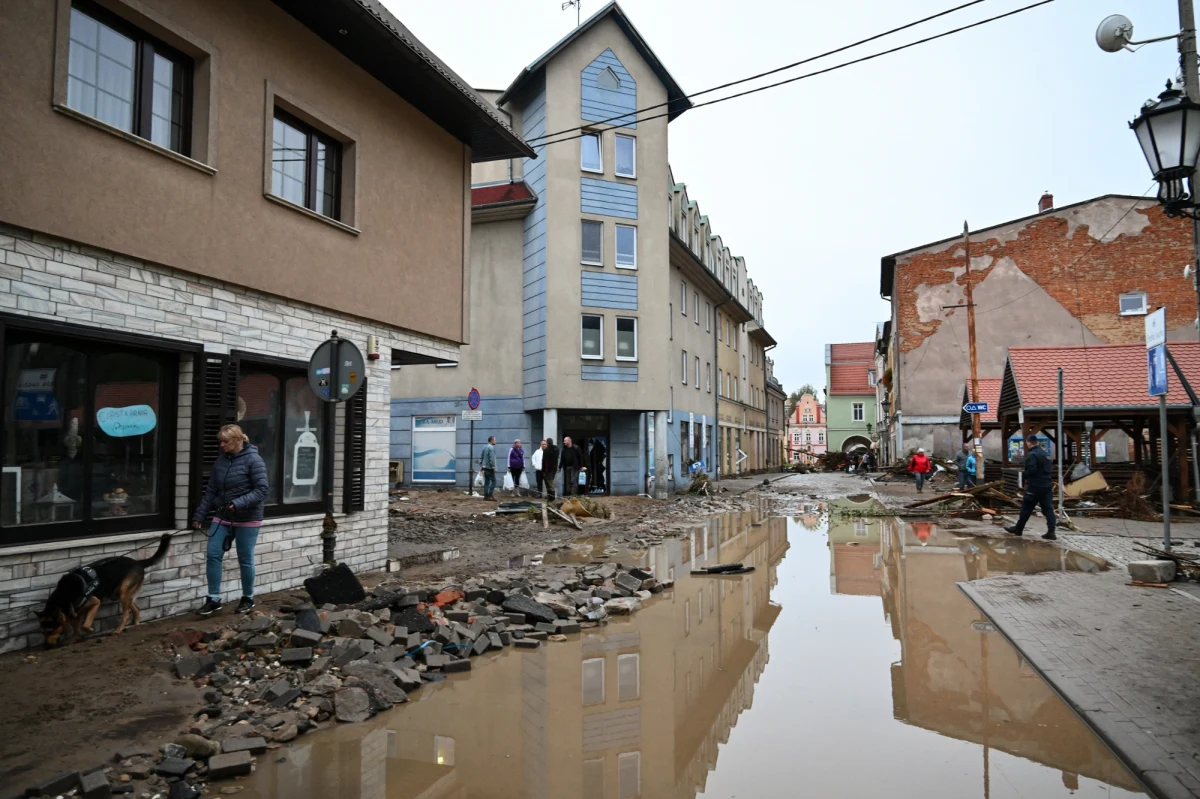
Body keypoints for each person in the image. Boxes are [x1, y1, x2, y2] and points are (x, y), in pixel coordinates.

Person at [192, 424, 268, 617]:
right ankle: (213, 599)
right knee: (213, 554)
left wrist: (238, 503)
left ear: (237, 441)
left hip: (248, 518)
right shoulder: (220, 462)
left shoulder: (254, 460)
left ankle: (248, 598)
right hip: (223, 516)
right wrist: (200, 515)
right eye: (220, 441)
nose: (222, 445)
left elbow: (262, 490)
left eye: (225, 441)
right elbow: (211, 491)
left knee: (245, 559)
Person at [1006, 437, 1056, 540]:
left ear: (1029, 443)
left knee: (1026, 508)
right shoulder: (1045, 454)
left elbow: (1032, 470)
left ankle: (1018, 529)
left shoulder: (1032, 454)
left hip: (1035, 486)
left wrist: (1024, 475)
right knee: (1048, 509)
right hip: (1046, 485)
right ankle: (1051, 532)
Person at [479, 436, 497, 500]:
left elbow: (481, 456)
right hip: (489, 467)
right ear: (491, 440)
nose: (495, 441)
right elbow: (492, 458)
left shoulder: (484, 447)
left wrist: (481, 465)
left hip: (484, 467)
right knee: (494, 481)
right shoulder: (491, 448)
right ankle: (490, 494)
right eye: (495, 440)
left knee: (487, 481)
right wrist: (494, 467)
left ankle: (486, 496)